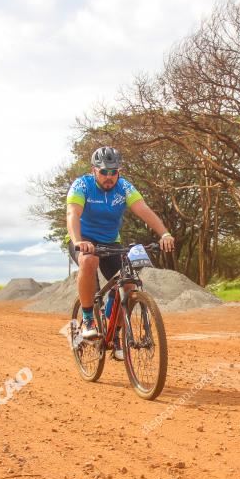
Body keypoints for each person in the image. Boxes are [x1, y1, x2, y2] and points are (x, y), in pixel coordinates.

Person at [66, 146, 174, 360]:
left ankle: (114, 336)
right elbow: (72, 213)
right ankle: (88, 320)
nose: (109, 177)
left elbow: (143, 209)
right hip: (84, 241)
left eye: (113, 172)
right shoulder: (82, 185)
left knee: (128, 284)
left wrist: (165, 234)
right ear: (94, 170)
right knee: (88, 261)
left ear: (119, 172)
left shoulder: (124, 187)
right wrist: (79, 241)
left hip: (111, 242)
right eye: (104, 171)